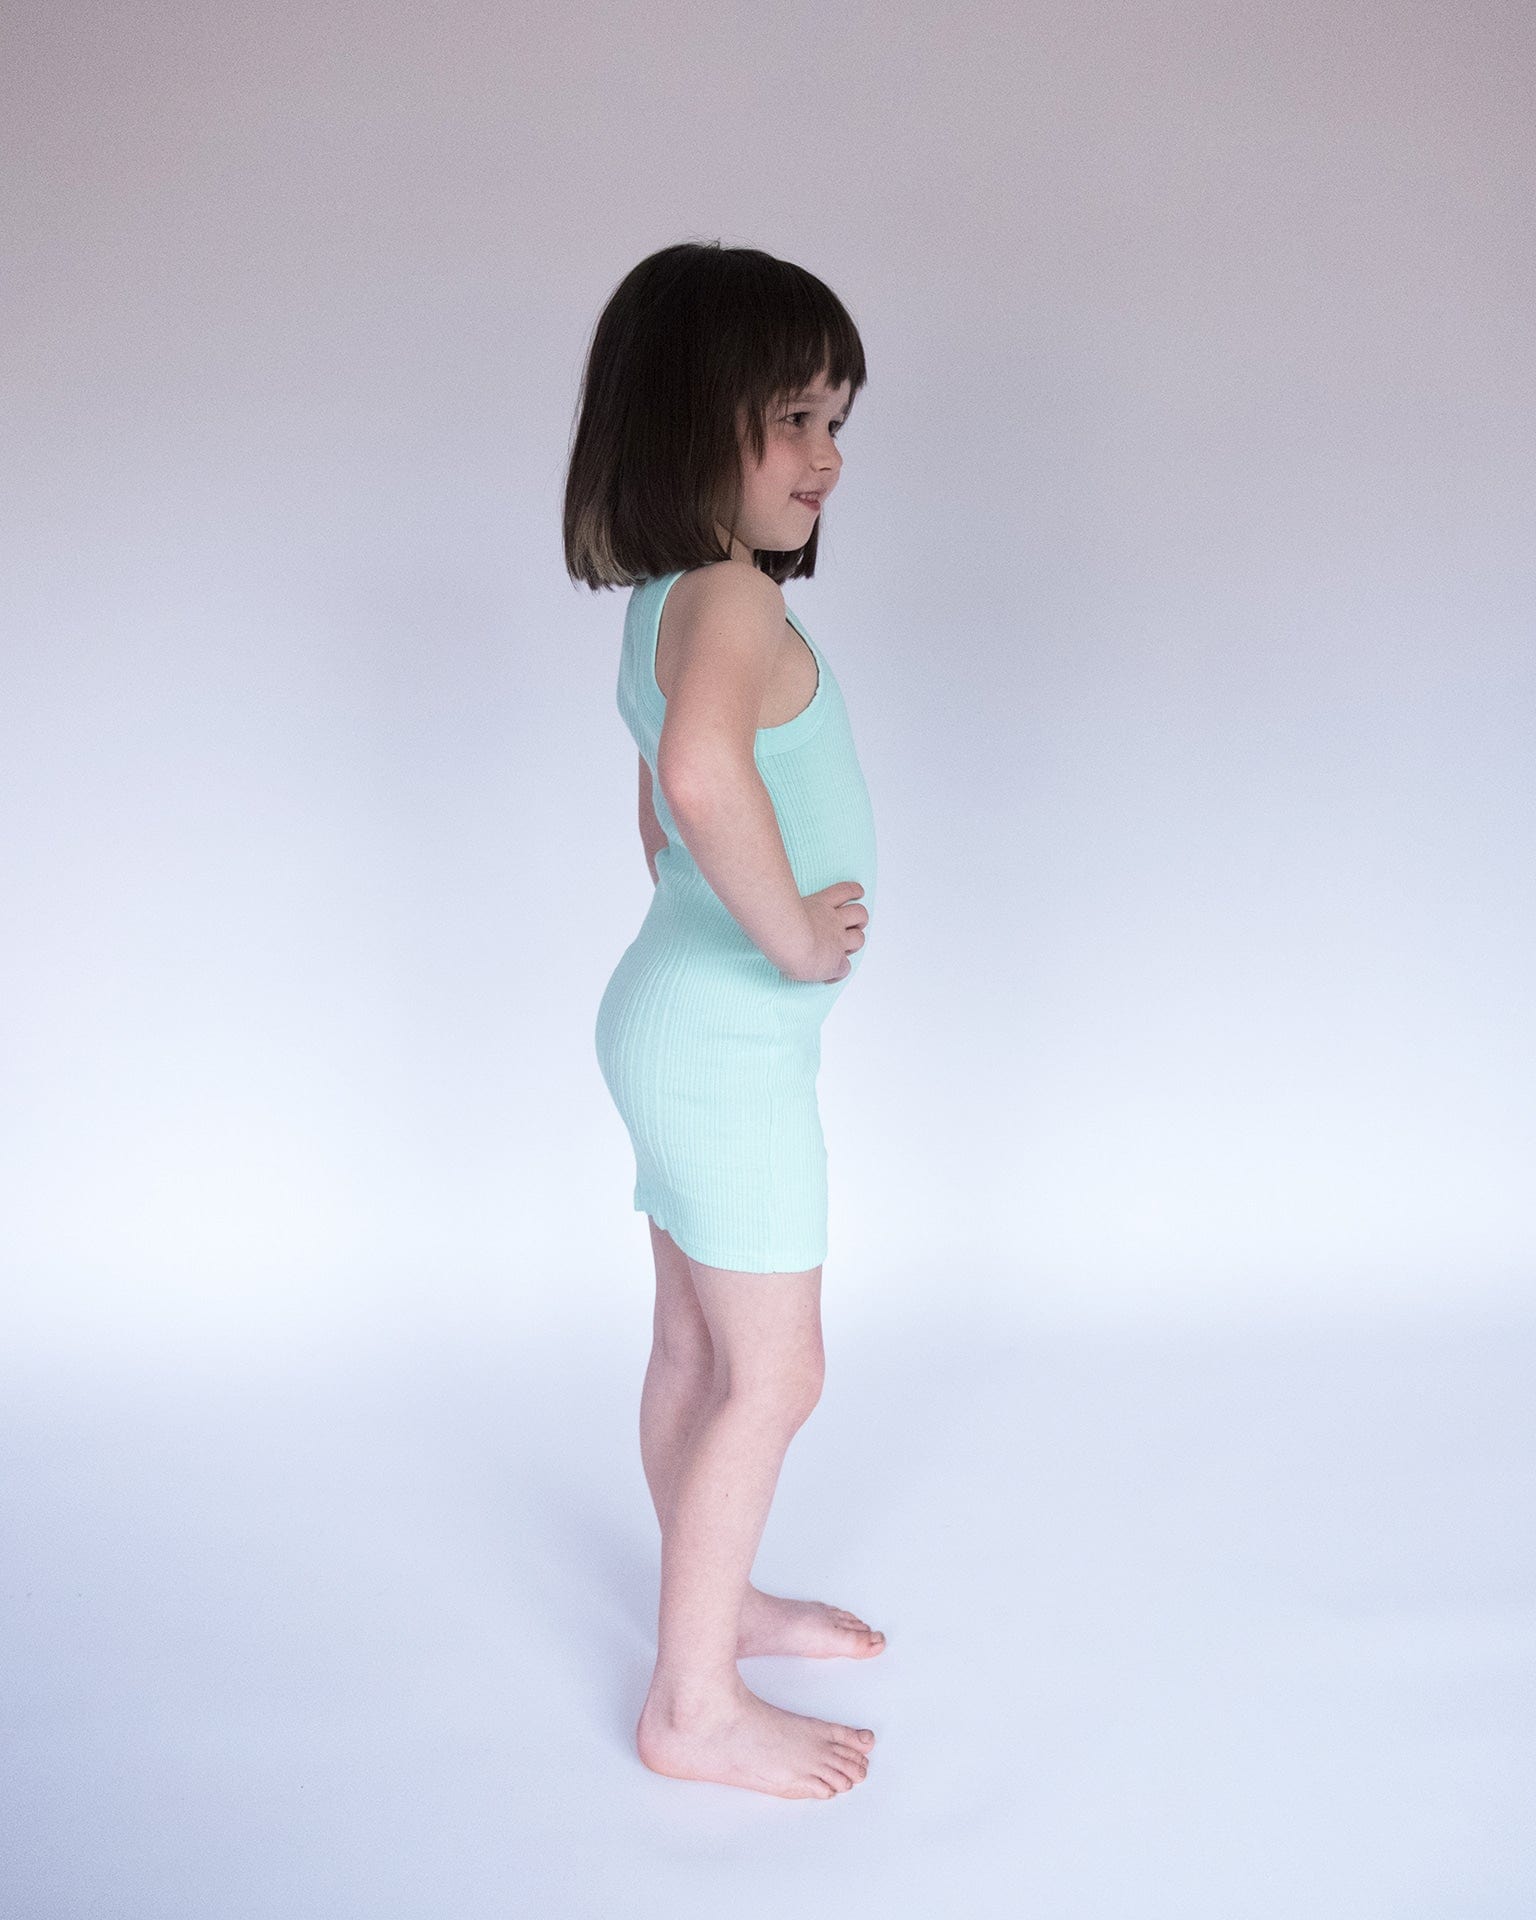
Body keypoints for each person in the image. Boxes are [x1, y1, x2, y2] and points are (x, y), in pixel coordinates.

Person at [565, 240, 884, 1801]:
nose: (829, 457)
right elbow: (697, 781)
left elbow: (662, 801)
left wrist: (726, 909)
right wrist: (796, 935)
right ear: (697, 424)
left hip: (670, 1019)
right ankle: (693, 1705)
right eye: (795, 419)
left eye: (839, 423)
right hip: (729, 1047)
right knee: (777, 1375)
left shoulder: (668, 602)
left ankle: (720, 1602)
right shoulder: (737, 602)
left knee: (697, 1350)